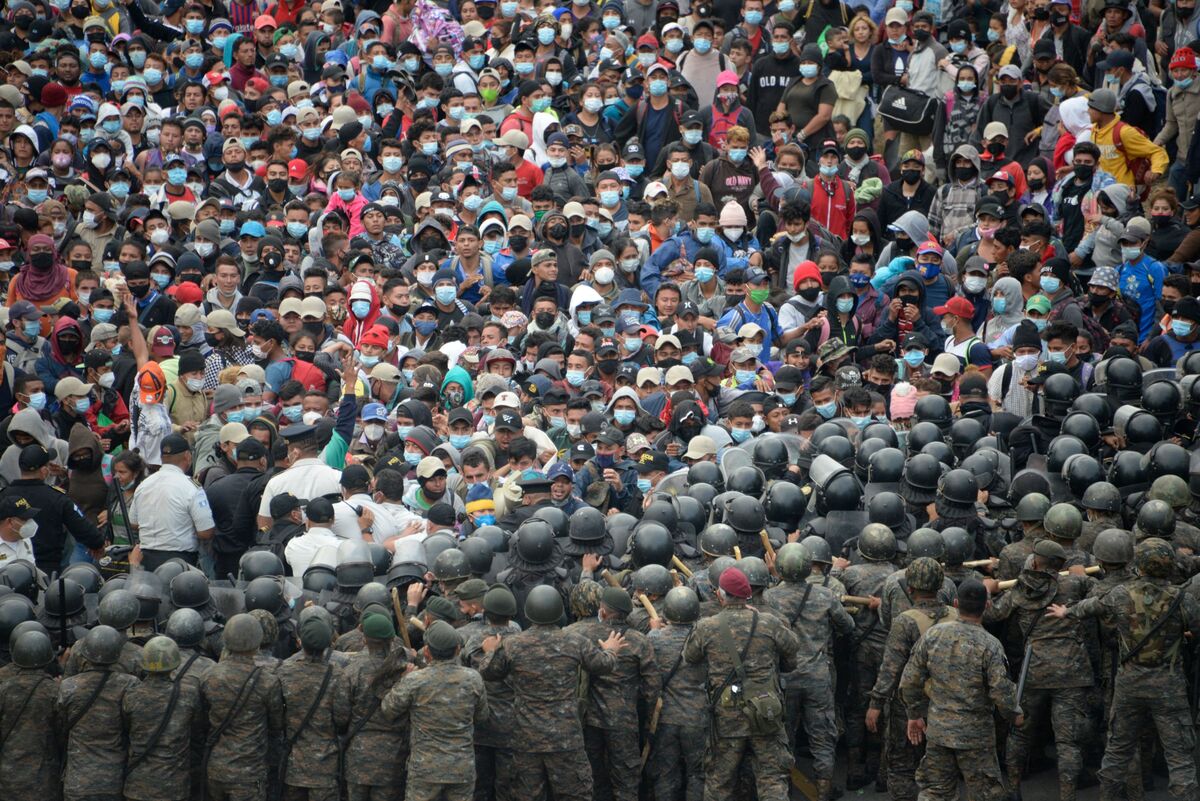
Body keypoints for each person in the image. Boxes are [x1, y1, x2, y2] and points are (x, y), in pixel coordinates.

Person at [899, 580, 1022, 801]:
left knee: (936, 793)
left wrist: (914, 714)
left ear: (955, 604)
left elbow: (909, 681)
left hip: (939, 731)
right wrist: (1015, 715)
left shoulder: (933, 635)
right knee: (985, 795)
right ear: (986, 605)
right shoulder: (991, 645)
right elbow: (1001, 691)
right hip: (976, 737)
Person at [128, 433, 215, 571]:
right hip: (179, 562)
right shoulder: (191, 487)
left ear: (162, 457)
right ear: (187, 456)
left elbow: (133, 523)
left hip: (146, 560)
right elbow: (205, 532)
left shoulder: (144, 484)